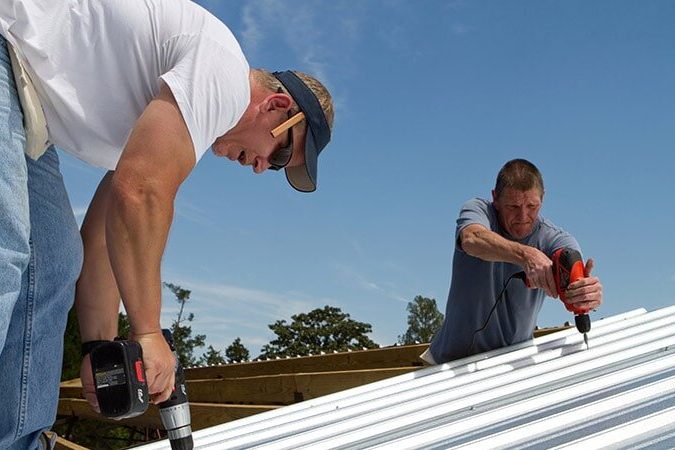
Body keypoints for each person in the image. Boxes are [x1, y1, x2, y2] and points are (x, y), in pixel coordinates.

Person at [0, 1, 334, 448]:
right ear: (276, 105)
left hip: (25, 103)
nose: (260, 168)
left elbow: (103, 235)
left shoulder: (175, 117)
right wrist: (148, 332)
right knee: (6, 252)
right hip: (7, 46)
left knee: (55, 261)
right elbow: (139, 193)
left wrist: (101, 351)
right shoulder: (224, 75)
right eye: (277, 155)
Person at [421, 159, 602, 365]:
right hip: (447, 362)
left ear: (543, 199)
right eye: (513, 206)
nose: (523, 216)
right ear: (495, 199)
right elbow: (472, 239)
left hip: (509, 367)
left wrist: (583, 294)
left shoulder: (556, 240)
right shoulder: (479, 210)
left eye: (532, 206)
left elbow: (573, 273)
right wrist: (526, 255)